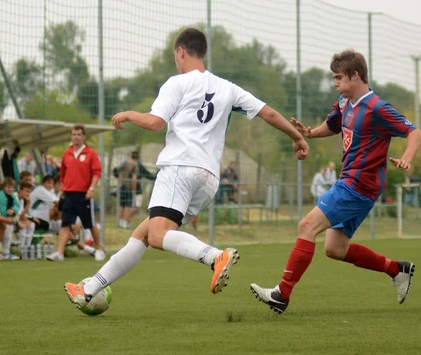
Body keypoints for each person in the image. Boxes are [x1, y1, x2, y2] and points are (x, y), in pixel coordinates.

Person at [63, 27, 308, 309]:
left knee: (156, 235)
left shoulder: (176, 83)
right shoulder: (228, 88)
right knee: (143, 234)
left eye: (175, 55)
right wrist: (297, 137)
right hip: (208, 180)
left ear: (180, 52)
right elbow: (269, 113)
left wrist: (129, 114)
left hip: (179, 167)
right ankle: (89, 288)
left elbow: (156, 122)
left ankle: (215, 256)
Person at [249, 49, 421, 314]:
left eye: (339, 78)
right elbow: (333, 125)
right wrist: (311, 133)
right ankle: (396, 269)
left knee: (306, 225)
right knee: (335, 248)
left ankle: (281, 294)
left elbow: (415, 132)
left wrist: (407, 158)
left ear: (356, 76)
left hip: (358, 184)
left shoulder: (377, 107)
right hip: (352, 183)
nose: (335, 83)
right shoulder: (345, 103)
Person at [46, 124, 106, 262]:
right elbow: (63, 175)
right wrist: (62, 189)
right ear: (70, 136)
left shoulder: (90, 153)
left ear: (84, 136)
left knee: (90, 224)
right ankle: (59, 253)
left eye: (79, 134)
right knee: (65, 224)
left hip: (84, 195)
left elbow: (97, 173)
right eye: (74, 134)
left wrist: (91, 189)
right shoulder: (66, 153)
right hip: (68, 195)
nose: (76, 137)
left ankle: (98, 249)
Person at [0, 177, 21, 260]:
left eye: (12, 187)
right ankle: (5, 252)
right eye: (8, 187)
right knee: (8, 227)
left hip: (8, 218)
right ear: (3, 187)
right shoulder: (1, 196)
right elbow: (1, 210)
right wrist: (7, 213)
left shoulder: (13, 196)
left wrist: (13, 210)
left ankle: (19, 249)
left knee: (15, 223)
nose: (10, 189)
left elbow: (17, 205)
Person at [117, 151, 140, 229]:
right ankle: (125, 222)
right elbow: (134, 178)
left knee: (121, 204)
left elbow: (120, 175)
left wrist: (120, 183)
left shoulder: (124, 164)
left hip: (122, 185)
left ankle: (119, 221)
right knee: (128, 205)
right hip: (129, 187)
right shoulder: (135, 166)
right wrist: (134, 188)